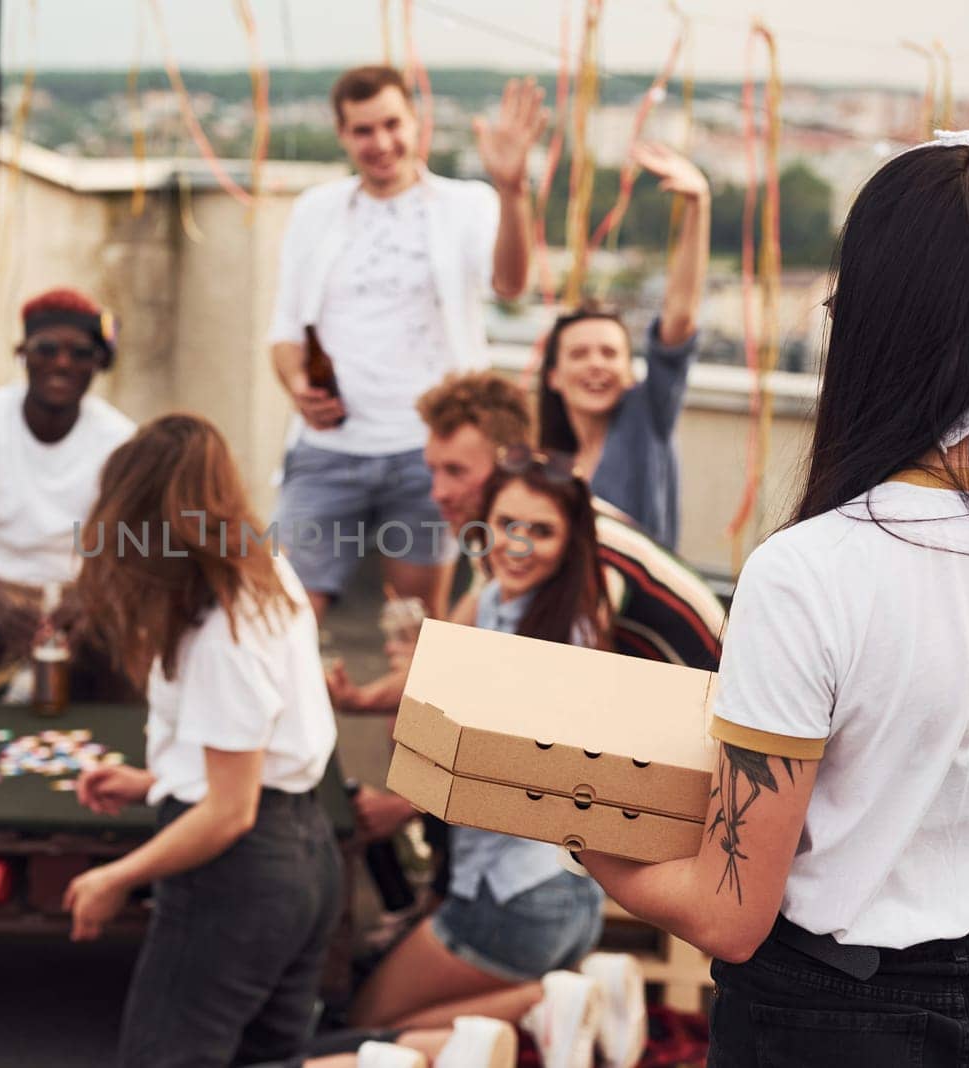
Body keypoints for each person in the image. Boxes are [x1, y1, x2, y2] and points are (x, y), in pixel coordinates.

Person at [577, 84, 969, 1066]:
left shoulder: (810, 575)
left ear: (861, 322)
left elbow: (727, 914)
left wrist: (570, 826)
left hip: (831, 1020)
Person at [62, 414, 343, 1068]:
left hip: (242, 876)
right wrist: (156, 781)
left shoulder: (221, 633)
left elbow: (229, 812)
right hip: (307, 853)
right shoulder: (264, 569)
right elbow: (258, 752)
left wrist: (115, 877)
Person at [269, 67, 547, 622]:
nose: (381, 143)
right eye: (363, 131)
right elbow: (285, 334)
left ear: (416, 123)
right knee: (287, 616)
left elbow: (512, 286)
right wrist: (300, 388)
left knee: (418, 624)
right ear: (343, 135)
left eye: (392, 124)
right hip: (329, 450)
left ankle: (401, 713)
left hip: (427, 453)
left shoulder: (465, 204)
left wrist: (513, 189)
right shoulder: (315, 210)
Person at [347, 449, 609, 1029]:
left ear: (571, 542)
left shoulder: (566, 638)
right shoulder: (496, 596)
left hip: (520, 895)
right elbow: (434, 680)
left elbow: (520, 774)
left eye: (540, 531)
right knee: (421, 1032)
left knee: (372, 1030)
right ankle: (553, 1003)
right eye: (506, 525)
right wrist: (363, 698)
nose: (516, 545)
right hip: (532, 889)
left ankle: (550, 1004)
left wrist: (402, 807)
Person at [328, 370, 723, 723]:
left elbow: (559, 700)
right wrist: (363, 699)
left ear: (508, 467)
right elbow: (450, 651)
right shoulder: (506, 532)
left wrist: (402, 804)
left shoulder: (586, 547)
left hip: (699, 718)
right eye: (432, 469)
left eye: (456, 471)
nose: (439, 493)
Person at [0, 286, 136, 698]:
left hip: (82, 591)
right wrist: (1, 608)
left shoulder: (120, 440)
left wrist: (89, 598)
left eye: (79, 353)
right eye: (46, 349)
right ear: (23, 353)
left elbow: (120, 547)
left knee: (113, 646)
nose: (61, 363)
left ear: (98, 362)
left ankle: (130, 755)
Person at [536, 143, 712, 549]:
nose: (596, 364)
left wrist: (697, 204)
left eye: (610, 352)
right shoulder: (551, 467)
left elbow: (680, 319)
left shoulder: (646, 416)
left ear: (630, 372)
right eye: (579, 354)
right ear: (554, 377)